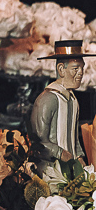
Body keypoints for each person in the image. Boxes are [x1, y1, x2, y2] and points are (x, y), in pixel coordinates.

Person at [29, 40, 91, 181]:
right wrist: (61, 153)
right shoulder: (47, 100)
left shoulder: (73, 99)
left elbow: (74, 137)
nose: (81, 73)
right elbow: (38, 142)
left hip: (71, 172)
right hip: (50, 173)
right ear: (61, 69)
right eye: (75, 68)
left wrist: (79, 157)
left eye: (82, 68)